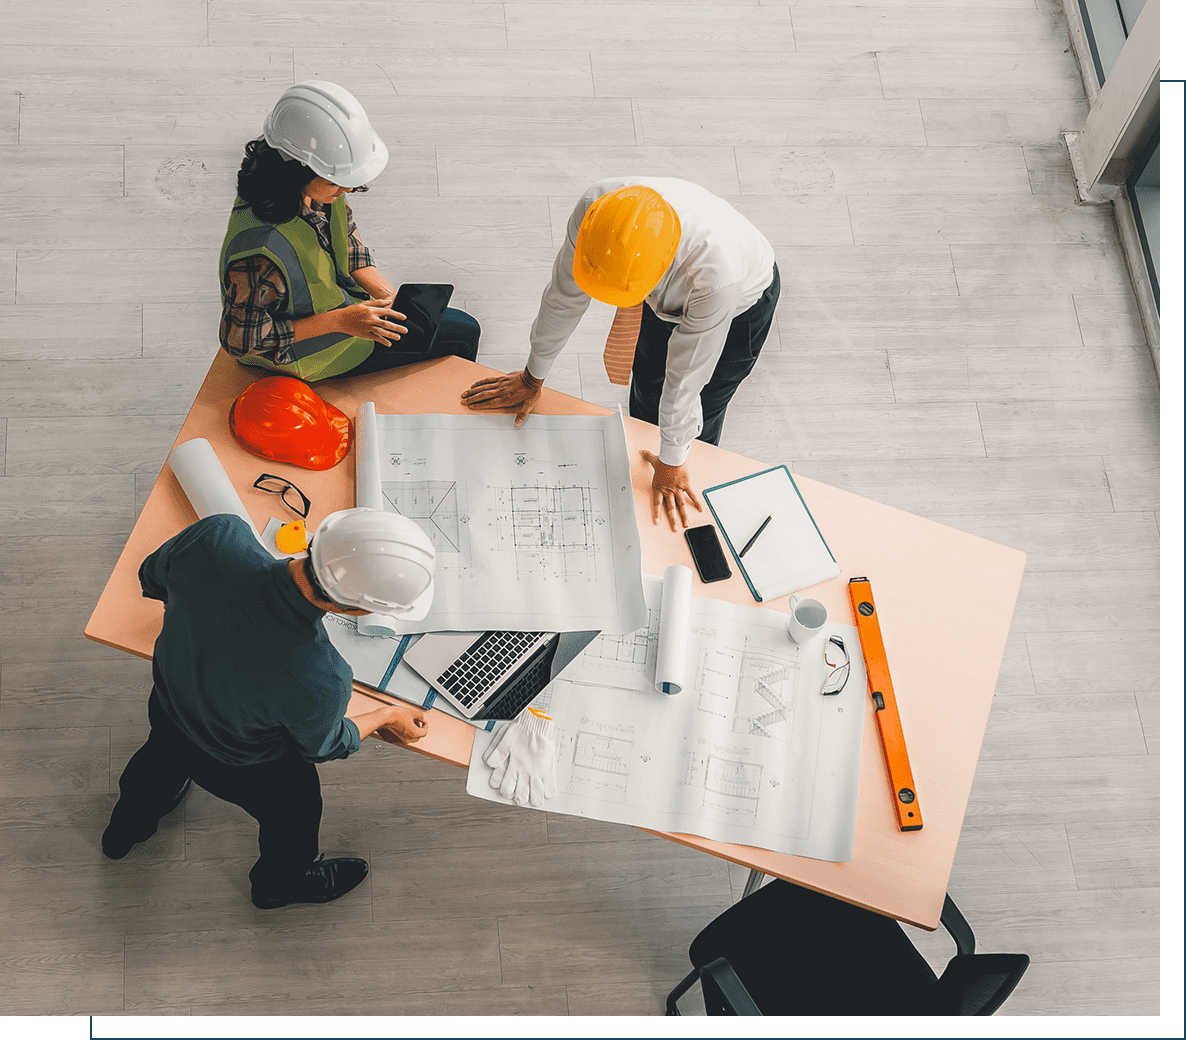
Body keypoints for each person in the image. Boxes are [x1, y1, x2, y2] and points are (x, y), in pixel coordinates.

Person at [102, 507, 435, 910]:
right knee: (296, 812)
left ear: (316, 541)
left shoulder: (217, 537)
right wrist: (388, 715)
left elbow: (151, 576)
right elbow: (323, 746)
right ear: (356, 610)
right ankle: (281, 883)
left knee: (157, 761)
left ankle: (124, 831)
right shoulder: (321, 679)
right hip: (241, 765)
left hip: (170, 708)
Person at [461, 177, 779, 530]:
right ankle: (646, 449)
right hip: (665, 280)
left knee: (706, 398)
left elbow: (687, 381)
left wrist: (672, 460)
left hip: (738, 309)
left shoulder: (717, 278)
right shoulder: (596, 209)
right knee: (647, 377)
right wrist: (531, 376)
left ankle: (682, 471)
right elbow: (563, 298)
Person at [219, 80, 481, 382]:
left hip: (349, 315)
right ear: (296, 171)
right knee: (463, 334)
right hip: (308, 356)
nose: (348, 188)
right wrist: (342, 321)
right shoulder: (259, 258)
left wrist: (389, 297)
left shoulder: (316, 187)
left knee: (454, 327)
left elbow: (348, 246)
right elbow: (240, 343)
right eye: (337, 181)